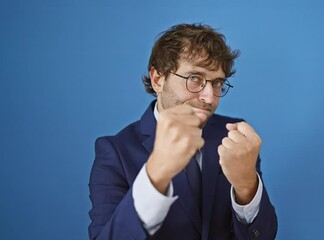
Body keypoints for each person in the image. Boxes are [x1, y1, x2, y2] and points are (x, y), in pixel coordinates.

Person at [88, 23, 278, 240]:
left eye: (217, 83)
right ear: (158, 79)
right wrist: (156, 174)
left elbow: (263, 236)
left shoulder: (234, 137)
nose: (209, 96)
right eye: (194, 78)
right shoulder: (115, 152)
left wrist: (247, 185)